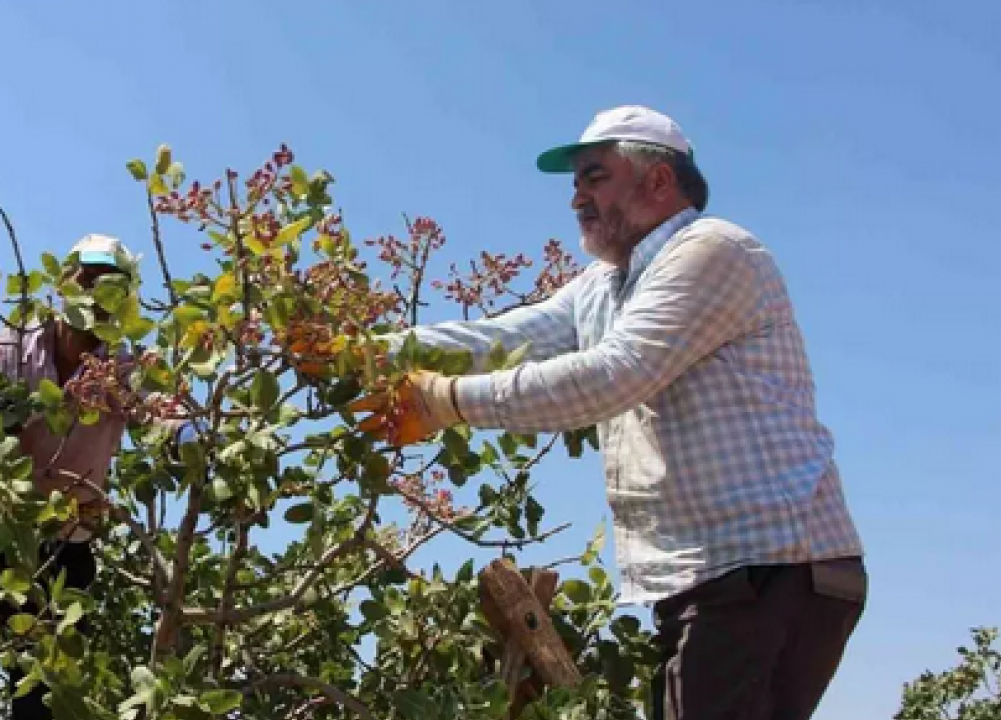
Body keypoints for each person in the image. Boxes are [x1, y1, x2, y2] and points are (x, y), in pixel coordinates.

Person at [346, 106, 867, 720]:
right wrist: (359, 355)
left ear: (658, 181)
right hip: (720, 579)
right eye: (575, 183)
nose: (575, 198)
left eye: (594, 176)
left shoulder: (713, 250)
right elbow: (504, 336)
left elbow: (618, 373)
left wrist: (447, 402)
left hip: (770, 567)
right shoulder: (602, 286)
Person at [0, 232, 194, 719]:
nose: (97, 296)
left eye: (112, 289)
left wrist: (192, 440)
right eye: (89, 280)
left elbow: (163, 414)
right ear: (64, 284)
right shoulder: (16, 342)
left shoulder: (122, 370)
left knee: (37, 694)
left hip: (66, 546)